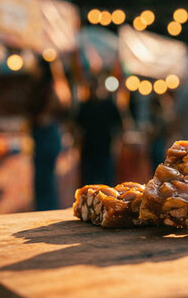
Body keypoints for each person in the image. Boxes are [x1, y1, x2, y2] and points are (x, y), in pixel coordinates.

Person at [27, 62, 70, 211]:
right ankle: (47, 208)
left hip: (46, 134)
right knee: (46, 177)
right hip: (51, 134)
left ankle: (45, 209)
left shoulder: (49, 88)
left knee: (44, 178)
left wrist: (41, 117)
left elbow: (45, 116)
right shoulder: (59, 86)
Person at [78, 76, 122, 186]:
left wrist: (117, 143)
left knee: (107, 185)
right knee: (88, 185)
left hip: (105, 149)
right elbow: (77, 127)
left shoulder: (109, 105)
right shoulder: (84, 106)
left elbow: (120, 125)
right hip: (88, 151)